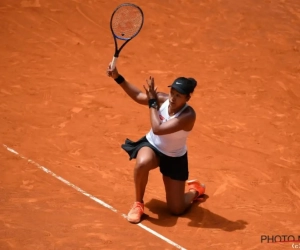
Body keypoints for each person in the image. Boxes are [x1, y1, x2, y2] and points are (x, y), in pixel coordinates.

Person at [107, 64, 206, 224]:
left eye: (178, 96)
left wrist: (152, 103)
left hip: (174, 158)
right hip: (152, 146)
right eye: (172, 93)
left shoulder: (188, 115)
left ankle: (195, 190)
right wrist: (118, 77)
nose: (173, 98)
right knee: (142, 163)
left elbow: (158, 129)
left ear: (188, 98)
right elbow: (139, 95)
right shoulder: (164, 100)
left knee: (176, 209)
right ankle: (138, 204)